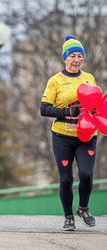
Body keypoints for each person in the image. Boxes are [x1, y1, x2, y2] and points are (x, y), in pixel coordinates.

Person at [40, 35, 97, 231]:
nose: (76, 60)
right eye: (72, 56)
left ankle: (83, 208)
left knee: (86, 174)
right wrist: (67, 111)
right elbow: (44, 109)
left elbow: (95, 103)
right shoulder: (55, 80)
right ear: (65, 58)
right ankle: (68, 216)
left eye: (80, 56)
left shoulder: (89, 78)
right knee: (66, 178)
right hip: (62, 136)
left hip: (87, 135)